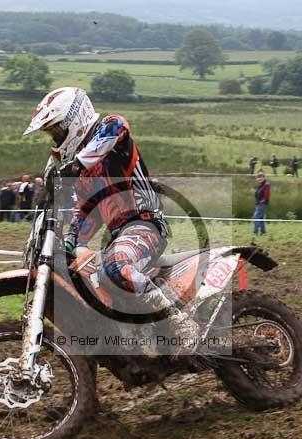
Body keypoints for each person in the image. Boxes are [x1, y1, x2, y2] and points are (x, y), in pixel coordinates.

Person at [23, 86, 197, 356]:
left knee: (115, 266)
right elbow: (85, 215)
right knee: (86, 276)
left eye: (56, 130)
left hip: (145, 224)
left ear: (74, 120)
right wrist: (66, 243)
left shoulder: (109, 131)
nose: (55, 139)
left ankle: (177, 321)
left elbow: (118, 127)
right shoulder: (83, 176)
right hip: (119, 236)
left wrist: (78, 163)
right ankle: (130, 338)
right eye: (52, 134)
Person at [253, 171, 271, 237]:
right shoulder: (260, 185)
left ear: (264, 177)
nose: (259, 179)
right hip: (258, 204)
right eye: (258, 177)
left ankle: (255, 232)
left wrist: (262, 201)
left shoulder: (266, 185)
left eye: (261, 177)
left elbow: (267, 195)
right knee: (260, 218)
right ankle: (263, 232)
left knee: (255, 217)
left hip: (262, 204)